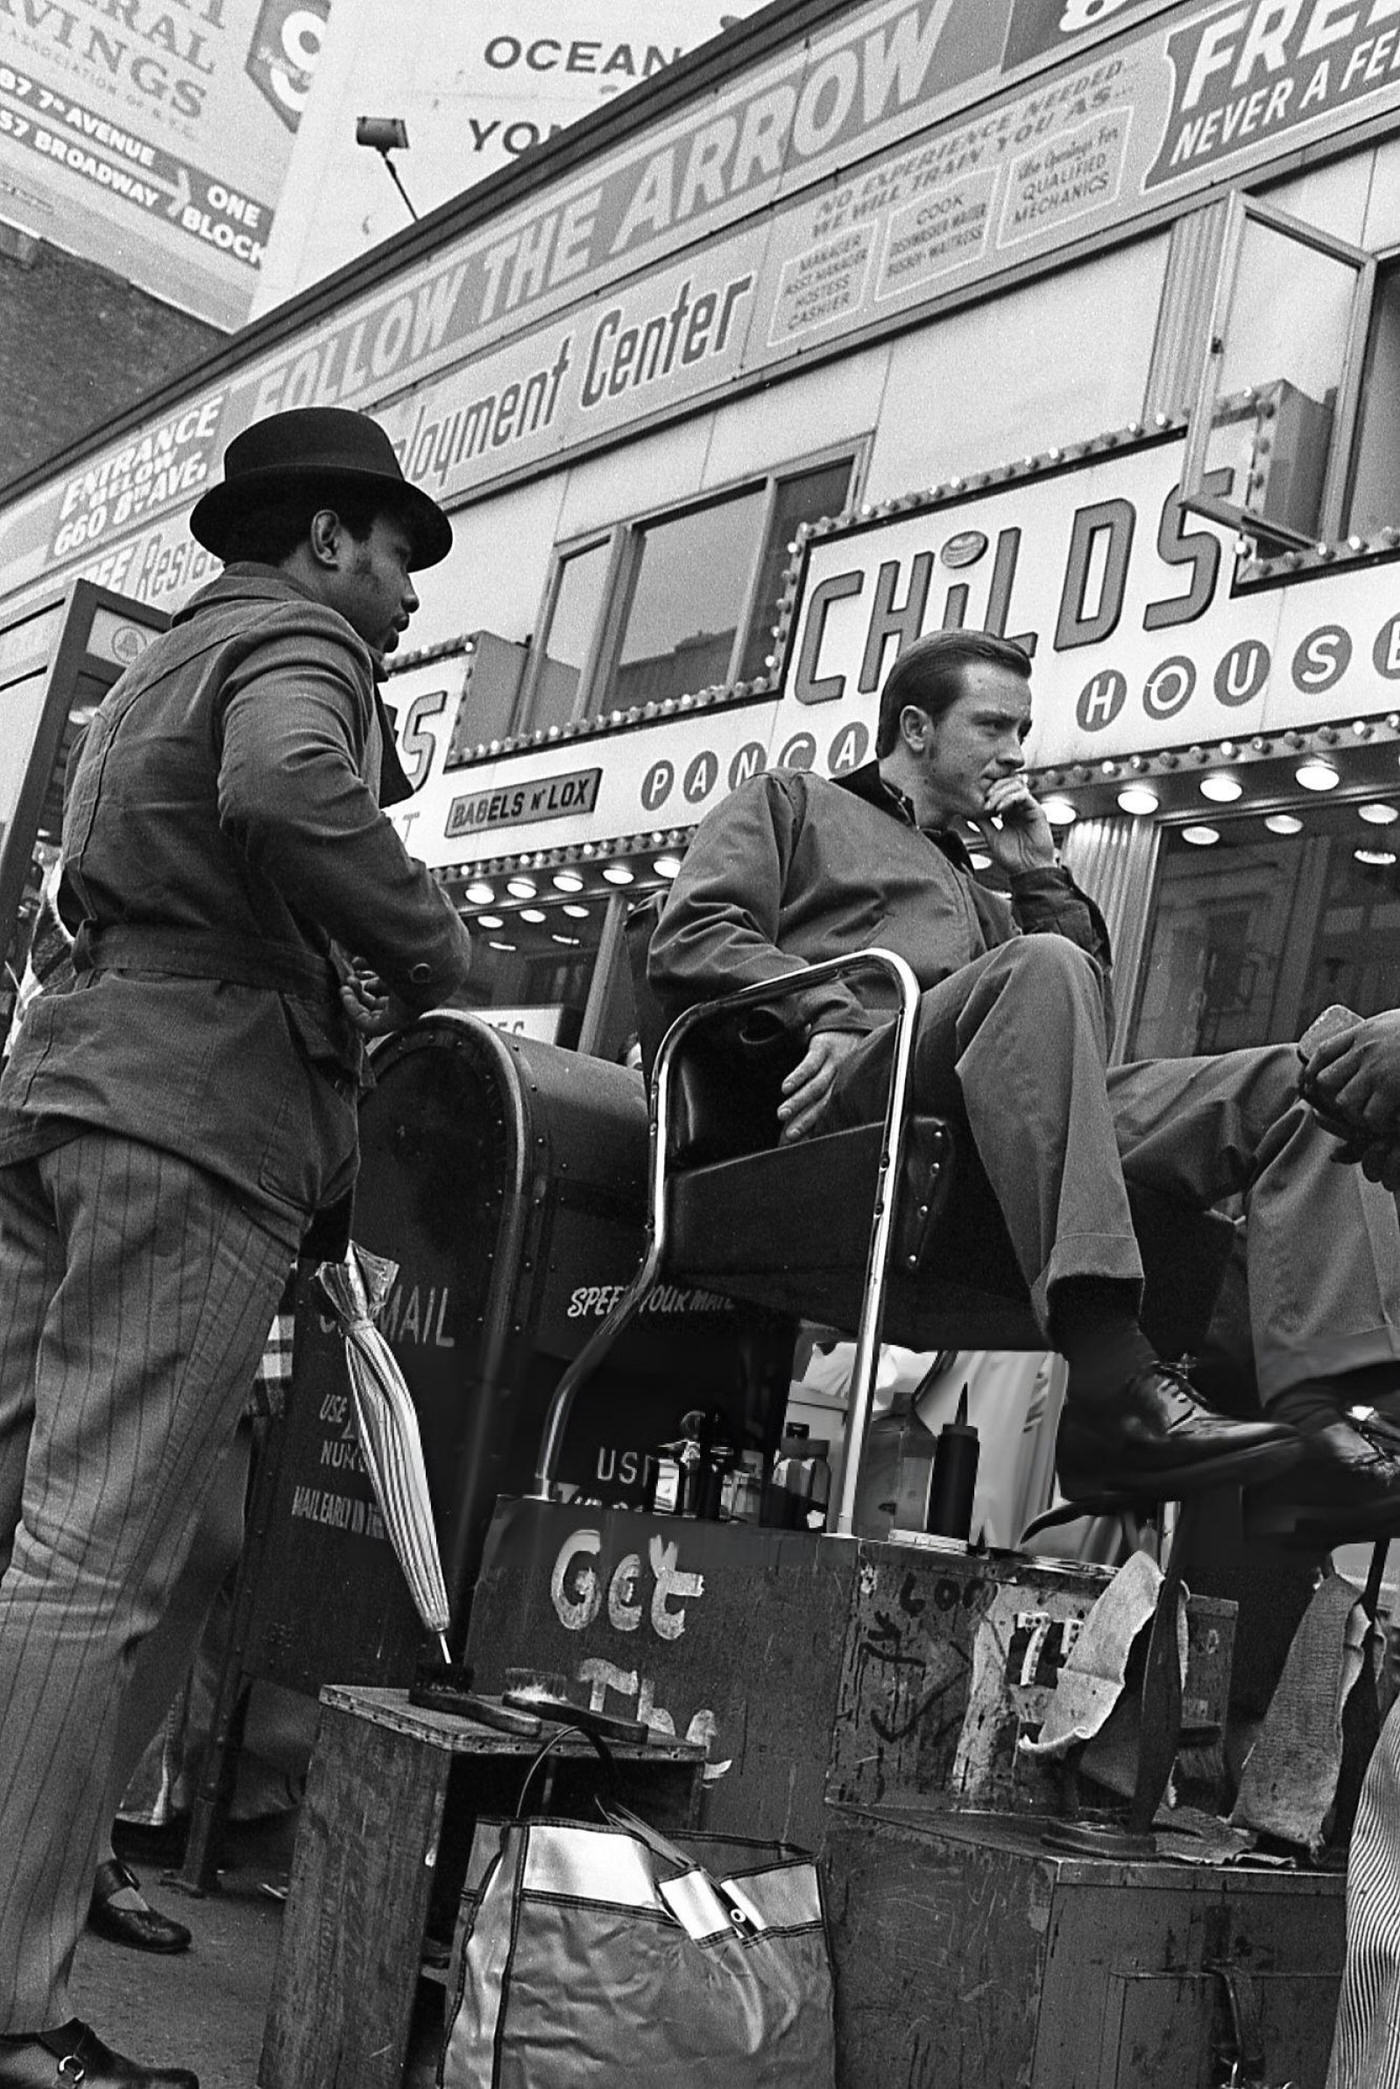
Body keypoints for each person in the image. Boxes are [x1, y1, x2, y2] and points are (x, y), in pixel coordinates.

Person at [0, 406, 474, 2089]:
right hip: (192, 1113)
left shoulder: (157, 665)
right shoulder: (299, 635)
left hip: (68, 1092)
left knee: (43, 1533)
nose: (409, 593)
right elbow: (286, 784)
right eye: (399, 552)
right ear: (328, 537)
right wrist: (430, 942)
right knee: (90, 1557)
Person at [648, 626, 1400, 1533]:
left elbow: (1083, 1021)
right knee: (1041, 965)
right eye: (994, 726)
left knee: (1314, 1075)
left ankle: (1328, 1420)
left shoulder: (986, 889)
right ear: (916, 728)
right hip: (860, 1091)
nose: (1016, 752)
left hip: (1001, 1096)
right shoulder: (793, 800)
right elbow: (693, 931)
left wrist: (1039, 873)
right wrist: (828, 1005)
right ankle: (1111, 1374)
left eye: (1023, 730)